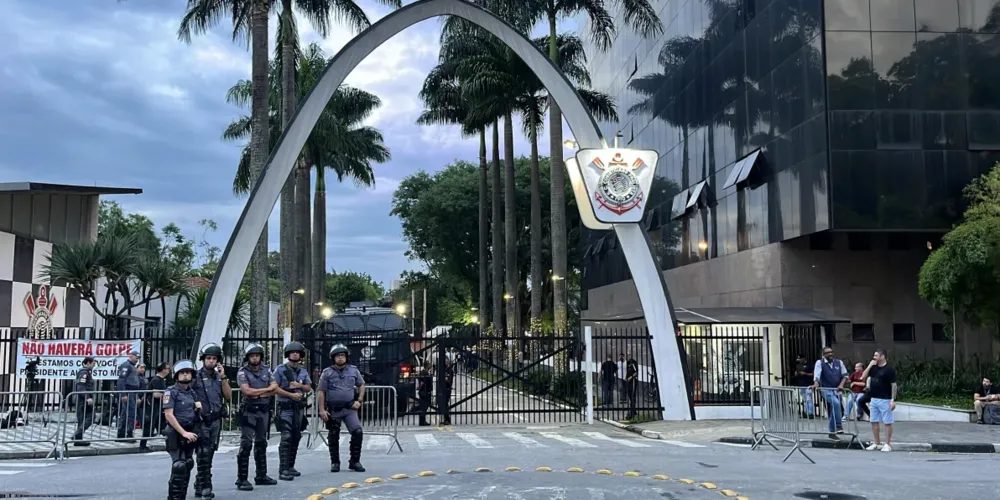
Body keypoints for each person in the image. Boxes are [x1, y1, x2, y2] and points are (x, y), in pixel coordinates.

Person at [235, 343, 278, 491]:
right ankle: (242, 479)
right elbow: (247, 391)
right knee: (246, 444)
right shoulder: (242, 372)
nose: (255, 358)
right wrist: (266, 390)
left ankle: (261, 475)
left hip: (264, 410)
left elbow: (275, 387)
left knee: (261, 443)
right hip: (249, 410)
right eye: (252, 356)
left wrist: (259, 392)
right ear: (248, 358)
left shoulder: (266, 369)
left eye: (257, 355)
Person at [318, 344, 366, 473]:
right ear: (333, 358)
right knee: (333, 435)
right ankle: (335, 462)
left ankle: (355, 461)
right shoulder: (327, 372)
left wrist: (359, 400)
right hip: (334, 410)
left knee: (357, 432)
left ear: (346, 357)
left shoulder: (353, 370)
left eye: (342, 355)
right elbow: (321, 391)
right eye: (337, 356)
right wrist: (322, 410)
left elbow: (361, 385)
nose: (340, 358)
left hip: (349, 408)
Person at [193, 343, 231, 499]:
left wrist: (223, 377)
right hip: (201, 420)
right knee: (203, 453)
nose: (211, 361)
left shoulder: (219, 377)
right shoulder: (195, 376)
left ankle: (199, 483)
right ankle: (205, 487)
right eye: (208, 358)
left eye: (214, 358)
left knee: (210, 454)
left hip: (215, 420)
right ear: (203, 359)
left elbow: (228, 395)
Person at [163, 360, 201, 500]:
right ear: (177, 375)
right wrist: (183, 432)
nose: (185, 375)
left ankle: (182, 496)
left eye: (188, 373)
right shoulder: (171, 392)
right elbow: (168, 414)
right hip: (175, 432)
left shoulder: (192, 393)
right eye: (182, 373)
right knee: (179, 465)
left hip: (189, 431)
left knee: (188, 463)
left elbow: (197, 413)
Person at [273, 341, 312, 481]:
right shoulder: (280, 370)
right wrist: (290, 394)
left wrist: (299, 385)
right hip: (285, 407)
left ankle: (290, 466)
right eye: (292, 352)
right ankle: (282, 469)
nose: (295, 354)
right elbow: (274, 388)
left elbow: (309, 387)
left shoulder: (303, 371)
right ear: (288, 354)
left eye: (297, 352)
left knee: (296, 436)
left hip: (298, 408)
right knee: (286, 437)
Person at [860, 349, 896, 452]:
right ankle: (877, 443)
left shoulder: (889, 369)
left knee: (887, 422)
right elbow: (863, 377)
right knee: (874, 420)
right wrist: (870, 365)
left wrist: (893, 400)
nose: (874, 357)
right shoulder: (873, 368)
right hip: (874, 398)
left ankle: (887, 444)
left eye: (876, 355)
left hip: (885, 399)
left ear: (882, 356)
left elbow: (894, 385)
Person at [810, 346, 848, 437]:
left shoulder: (839, 363)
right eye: (827, 353)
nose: (830, 354)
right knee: (836, 404)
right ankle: (838, 425)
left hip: (836, 390)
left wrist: (841, 385)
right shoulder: (820, 363)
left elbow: (845, 375)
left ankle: (831, 432)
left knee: (835, 409)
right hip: (826, 389)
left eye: (831, 352)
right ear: (823, 355)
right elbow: (817, 375)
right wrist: (816, 384)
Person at [115, 349, 142, 442]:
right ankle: (128, 433)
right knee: (130, 413)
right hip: (128, 392)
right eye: (136, 357)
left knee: (126, 413)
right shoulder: (126, 366)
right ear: (130, 356)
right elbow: (121, 380)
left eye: (138, 358)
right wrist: (123, 394)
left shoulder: (132, 366)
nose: (137, 359)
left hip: (132, 392)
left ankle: (122, 434)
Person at [72, 356, 96, 446]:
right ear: (88, 363)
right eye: (93, 362)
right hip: (83, 400)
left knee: (85, 418)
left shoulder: (87, 372)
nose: (94, 364)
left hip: (84, 399)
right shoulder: (84, 373)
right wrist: (87, 397)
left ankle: (78, 438)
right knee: (88, 417)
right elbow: (81, 387)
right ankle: (77, 436)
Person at [135, 363, 148, 450]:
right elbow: (134, 388)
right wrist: (137, 398)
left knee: (143, 416)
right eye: (141, 368)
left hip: (143, 398)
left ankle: (145, 431)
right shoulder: (135, 377)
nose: (142, 369)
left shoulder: (143, 377)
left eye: (144, 368)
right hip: (138, 398)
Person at [438, 356, 454, 425]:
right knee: (443, 404)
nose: (446, 362)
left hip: (447, 388)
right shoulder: (444, 370)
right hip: (442, 389)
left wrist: (445, 379)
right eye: (445, 361)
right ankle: (445, 419)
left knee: (445, 404)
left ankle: (447, 419)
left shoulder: (450, 371)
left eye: (447, 362)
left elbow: (449, 381)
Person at [416, 361, 433, 426]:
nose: (430, 366)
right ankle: (422, 421)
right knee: (424, 407)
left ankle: (422, 420)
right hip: (424, 391)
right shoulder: (425, 373)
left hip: (424, 391)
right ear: (427, 366)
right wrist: (420, 388)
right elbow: (422, 382)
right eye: (429, 365)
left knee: (423, 406)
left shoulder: (423, 372)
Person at [625, 352, 638, 420]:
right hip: (628, 382)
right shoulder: (628, 363)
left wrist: (630, 377)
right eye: (627, 354)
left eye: (629, 354)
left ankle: (632, 412)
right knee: (630, 395)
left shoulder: (633, 363)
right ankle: (634, 410)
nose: (628, 355)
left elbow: (636, 372)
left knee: (633, 396)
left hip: (633, 381)